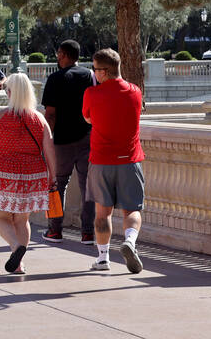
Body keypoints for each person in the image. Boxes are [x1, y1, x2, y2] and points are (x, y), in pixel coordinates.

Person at [0, 72, 54, 274]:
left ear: (9, 92)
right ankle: (19, 262)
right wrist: (53, 176)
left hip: (3, 171)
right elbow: (49, 150)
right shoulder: (39, 119)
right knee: (21, 219)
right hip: (33, 173)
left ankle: (15, 248)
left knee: (0, 217)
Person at [82, 48, 145, 274]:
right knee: (132, 210)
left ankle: (103, 258)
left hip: (100, 161)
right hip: (130, 159)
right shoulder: (135, 92)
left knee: (102, 213)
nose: (94, 73)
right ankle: (129, 241)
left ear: (104, 72)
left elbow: (88, 118)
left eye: (95, 69)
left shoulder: (92, 93)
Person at [41, 39, 97, 244]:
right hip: (87, 138)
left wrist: (45, 141)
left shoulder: (55, 79)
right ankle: (88, 232)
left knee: (57, 185)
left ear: (64, 55)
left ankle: (55, 230)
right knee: (87, 186)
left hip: (62, 142)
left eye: (58, 54)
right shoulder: (91, 76)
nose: (57, 58)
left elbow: (50, 115)